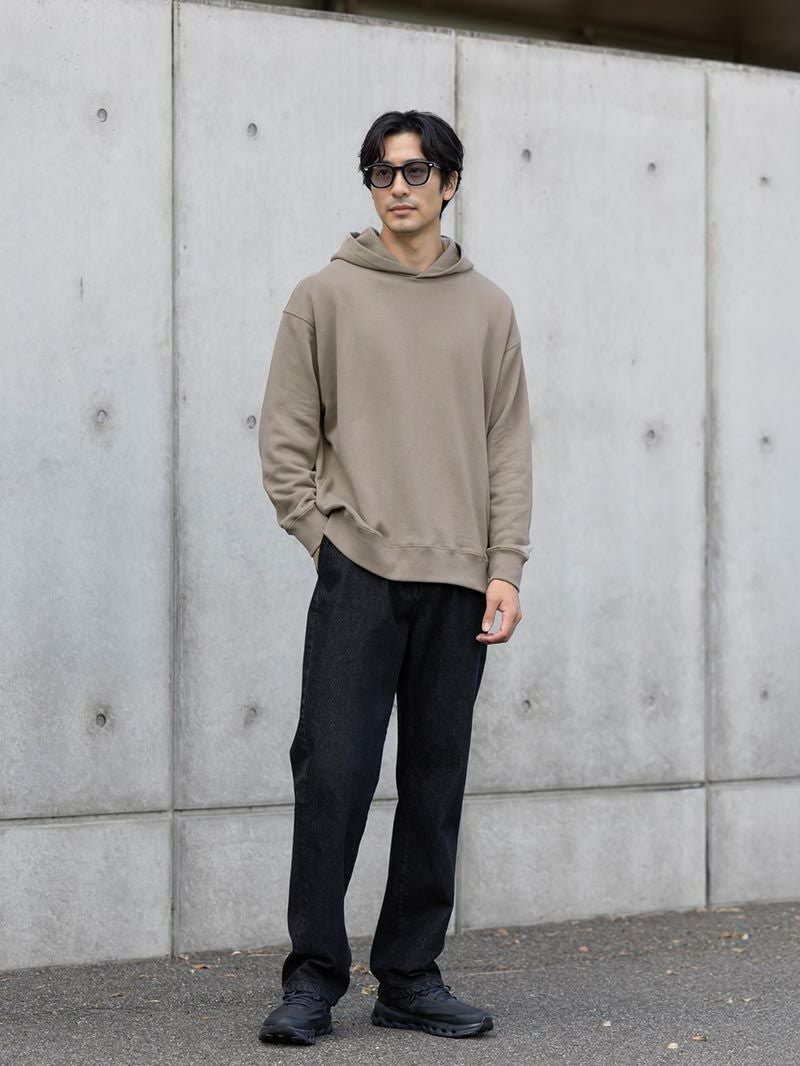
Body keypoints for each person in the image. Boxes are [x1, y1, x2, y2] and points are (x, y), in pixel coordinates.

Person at [256, 109, 533, 1045]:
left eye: (417, 171)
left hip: (459, 582)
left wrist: (505, 567)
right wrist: (324, 541)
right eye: (382, 171)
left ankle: (410, 976)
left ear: (449, 184)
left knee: (435, 782)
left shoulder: (488, 308)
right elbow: (285, 441)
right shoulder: (324, 297)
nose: (399, 187)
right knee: (331, 774)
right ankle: (312, 980)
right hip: (361, 573)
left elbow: (508, 447)